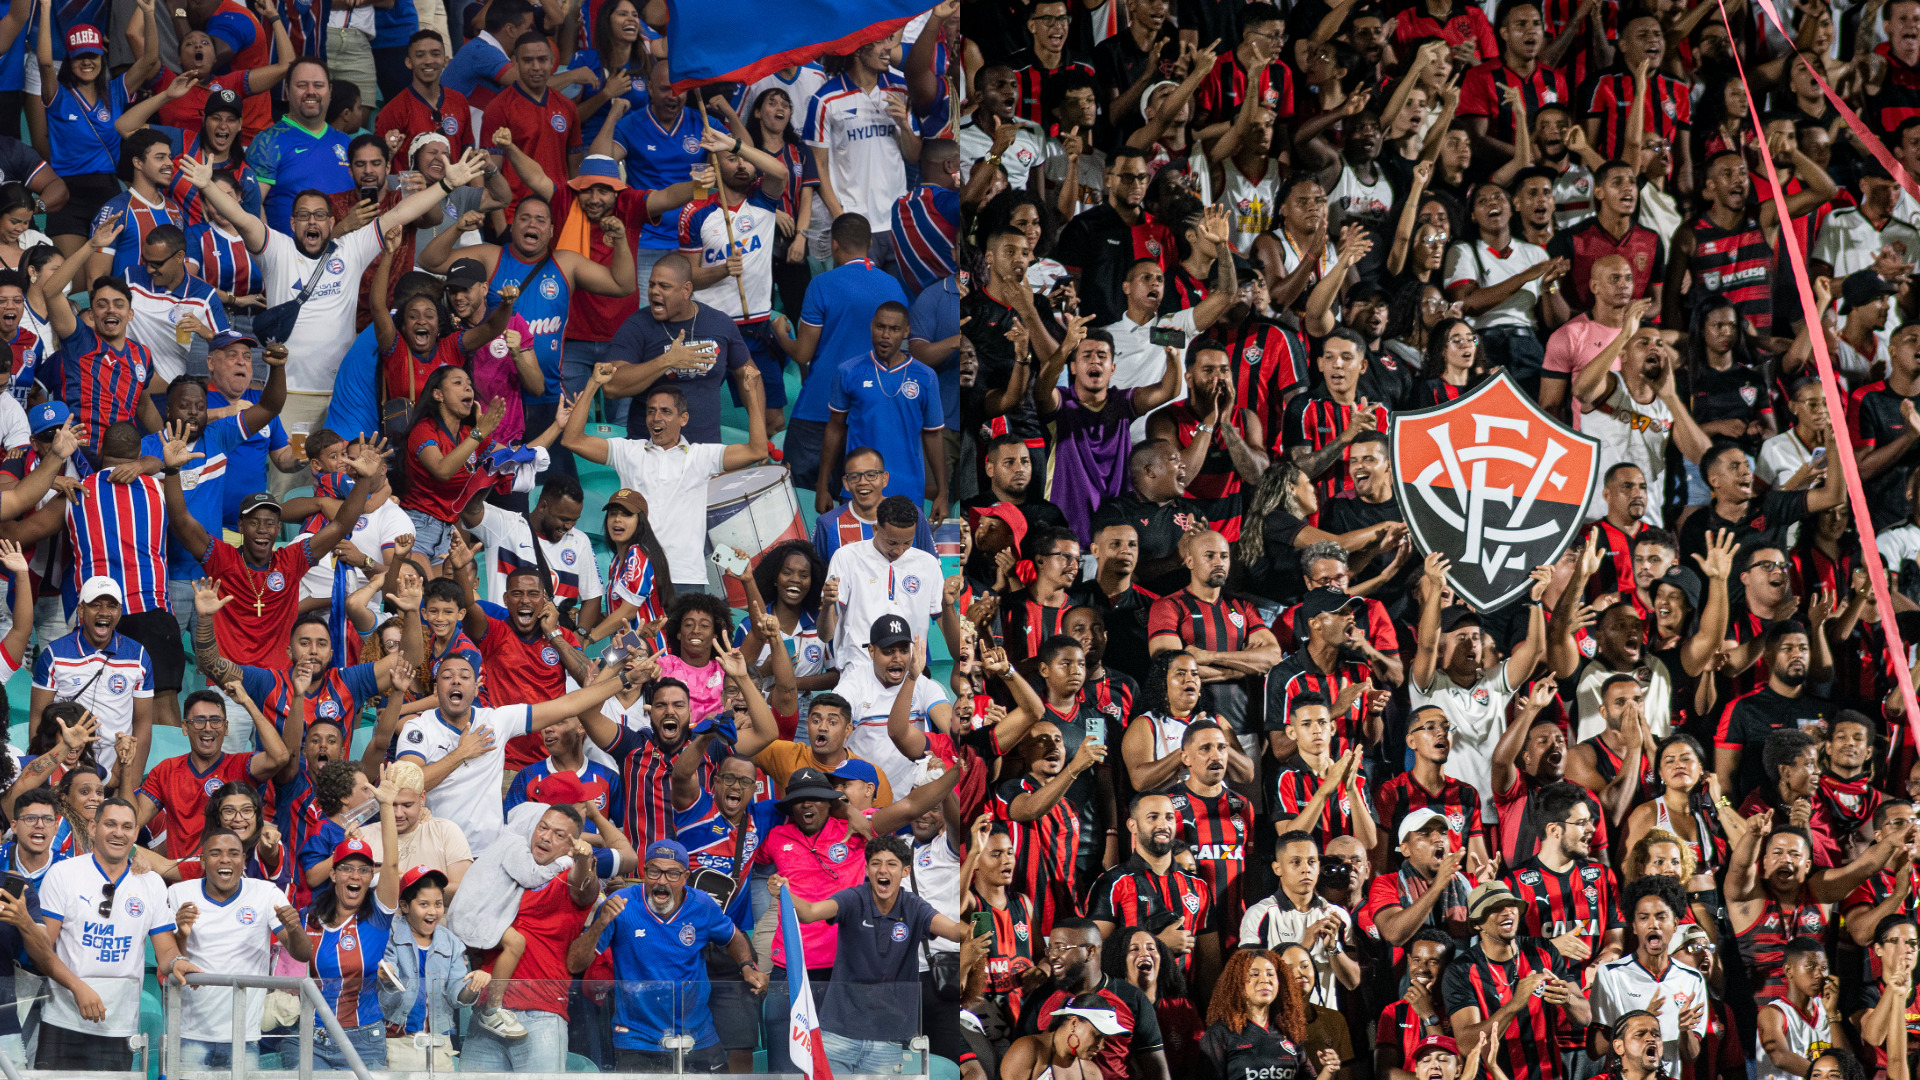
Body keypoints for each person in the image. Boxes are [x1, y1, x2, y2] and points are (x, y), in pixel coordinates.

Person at [568, 839, 765, 1072]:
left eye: (672, 874)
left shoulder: (702, 905)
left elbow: (732, 937)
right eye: (654, 872)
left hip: (696, 1036)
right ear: (643, 872)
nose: (662, 881)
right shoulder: (620, 904)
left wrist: (746, 966)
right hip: (637, 1037)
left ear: (685, 877)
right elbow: (574, 964)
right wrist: (600, 924)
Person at [563, 372, 768, 592]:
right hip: (636, 572)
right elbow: (572, 440)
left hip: (685, 575)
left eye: (666, 411)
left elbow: (757, 450)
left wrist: (751, 397)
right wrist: (593, 383)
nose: (656, 417)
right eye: (651, 411)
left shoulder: (702, 456)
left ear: (684, 418)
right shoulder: (628, 451)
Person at [38, 798, 200, 1070]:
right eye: (110, 824)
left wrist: (177, 962)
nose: (118, 832)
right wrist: (79, 988)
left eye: (127, 826)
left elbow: (166, 953)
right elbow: (43, 949)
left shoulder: (151, 884)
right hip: (62, 1019)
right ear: (92, 827)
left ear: (136, 834)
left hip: (118, 1027)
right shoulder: (63, 874)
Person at [167, 827, 313, 1070]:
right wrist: (181, 933)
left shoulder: (265, 893)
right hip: (188, 1033)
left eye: (234, 853)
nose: (225, 859)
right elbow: (170, 961)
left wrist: (295, 928)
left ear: (243, 860)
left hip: (244, 1036)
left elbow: (303, 953)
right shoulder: (180, 892)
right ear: (202, 860)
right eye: (215, 853)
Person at [1440, 881, 1592, 1080]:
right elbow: (1468, 1045)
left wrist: (1568, 999)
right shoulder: (1461, 970)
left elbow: (1585, 1017)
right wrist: (1514, 1004)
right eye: (1494, 908)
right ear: (1476, 923)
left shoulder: (1543, 951)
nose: (1506, 911)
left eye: (1511, 905)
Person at [817, 301, 948, 518]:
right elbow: (835, 428)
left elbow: (933, 435)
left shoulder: (926, 377)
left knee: (901, 551)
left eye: (894, 329)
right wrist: (822, 486)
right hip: (858, 490)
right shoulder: (849, 371)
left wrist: (943, 493)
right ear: (871, 327)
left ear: (906, 332)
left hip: (907, 492)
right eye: (880, 327)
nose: (885, 335)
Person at [1014, 917, 1172, 1080]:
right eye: (1050, 949)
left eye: (1061, 948)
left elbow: (1157, 1071)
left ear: (1090, 951)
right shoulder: (1041, 997)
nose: (1053, 956)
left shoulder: (1131, 997)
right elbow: (1020, 1060)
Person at [1587, 875, 1708, 1072]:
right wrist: (1640, 1020)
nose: (1654, 924)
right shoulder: (1611, 975)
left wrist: (1685, 1030)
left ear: (1675, 924)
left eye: (1661, 917)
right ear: (1634, 926)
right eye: (1644, 918)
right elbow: (1595, 1050)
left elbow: (1690, 1055)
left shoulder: (1692, 979)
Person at [1198, 947, 1342, 1080]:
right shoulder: (1219, 1035)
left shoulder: (1288, 1034)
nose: (1264, 980)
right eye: (1254, 974)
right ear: (1237, 982)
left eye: (1270, 974)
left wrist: (1328, 1070)